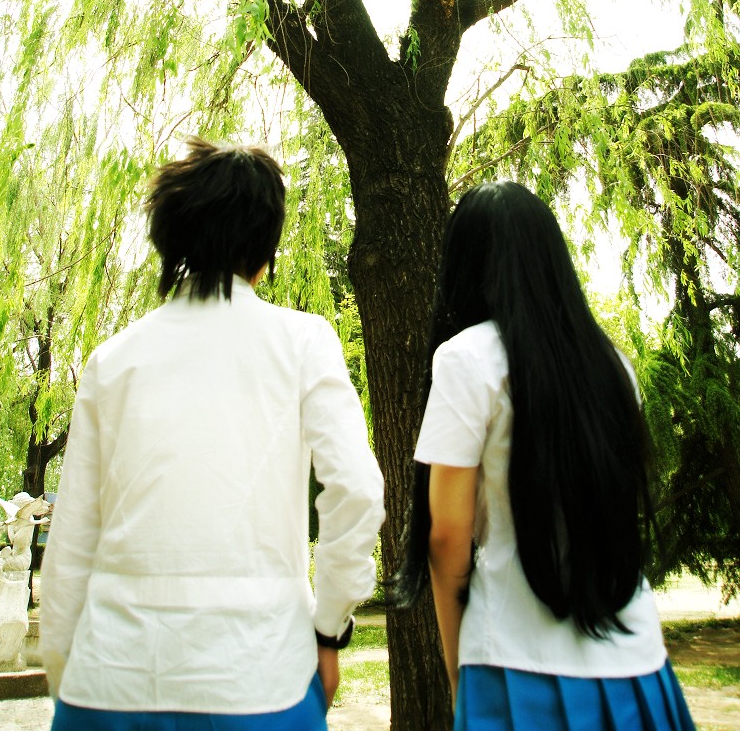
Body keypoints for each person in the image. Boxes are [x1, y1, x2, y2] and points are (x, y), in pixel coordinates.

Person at [41, 139, 384, 731]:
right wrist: (329, 630)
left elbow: (71, 544)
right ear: (266, 250)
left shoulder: (112, 361)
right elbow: (356, 491)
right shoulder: (303, 342)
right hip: (262, 679)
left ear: (171, 238)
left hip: (111, 678)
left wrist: (69, 677)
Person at [390, 180, 696, 731]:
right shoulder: (613, 365)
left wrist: (460, 673)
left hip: (515, 662)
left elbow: (446, 535)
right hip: (637, 661)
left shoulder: (466, 358)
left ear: (464, 265)